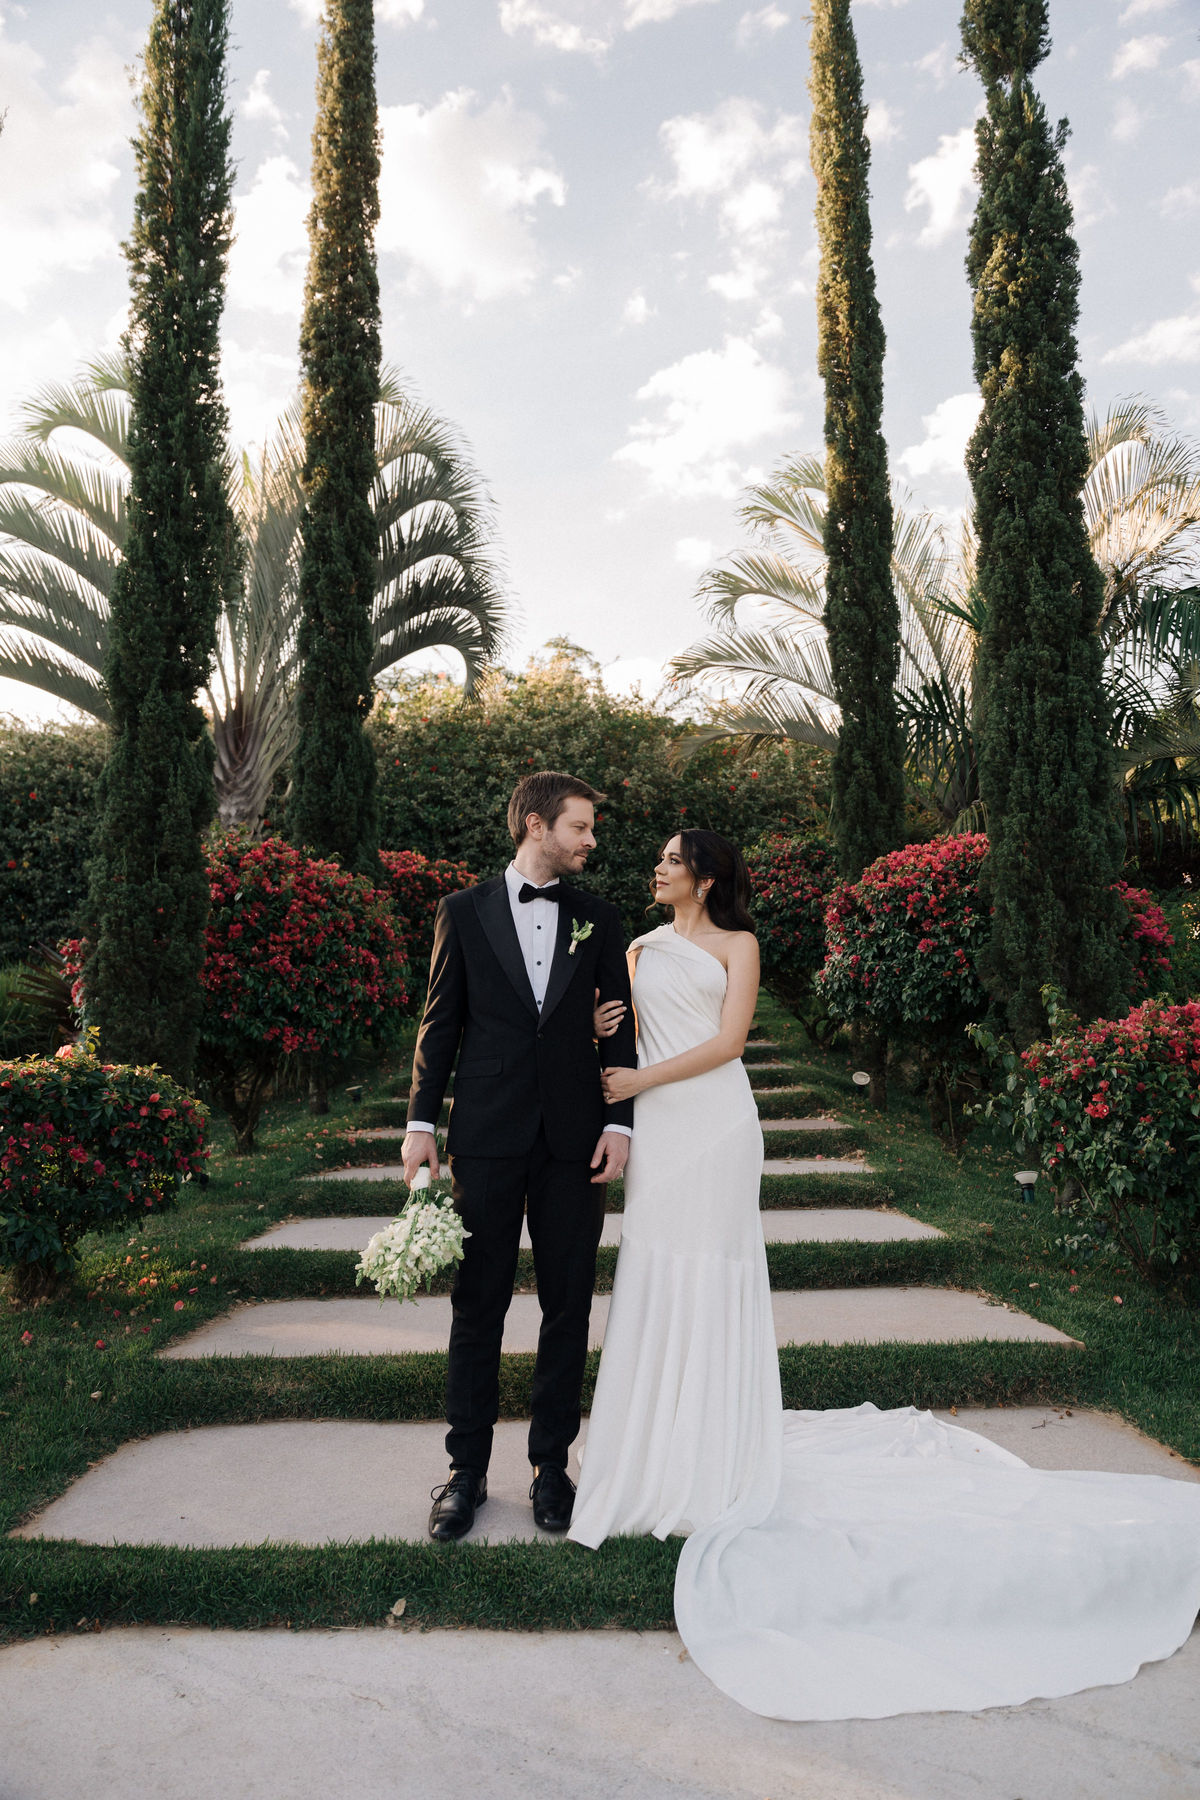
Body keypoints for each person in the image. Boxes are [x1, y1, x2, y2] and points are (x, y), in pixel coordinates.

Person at [569, 828, 1200, 1723]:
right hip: (661, 1133)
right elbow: (625, 1030)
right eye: (662, 858)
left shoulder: (739, 946)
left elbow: (730, 1044)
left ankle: (712, 1453)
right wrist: (605, 1034)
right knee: (656, 1272)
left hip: (713, 1123)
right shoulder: (638, 948)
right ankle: (655, 1444)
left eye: (673, 859)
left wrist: (640, 1082)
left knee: (712, 1273)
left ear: (704, 879)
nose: (658, 867)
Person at [402, 771, 637, 1544]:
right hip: (488, 1136)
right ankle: (464, 1471)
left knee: (568, 1306)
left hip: (575, 1142)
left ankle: (550, 1468)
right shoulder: (461, 911)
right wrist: (420, 1123)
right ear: (537, 825)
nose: (591, 840)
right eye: (581, 826)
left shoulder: (598, 919)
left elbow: (620, 1030)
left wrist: (621, 1124)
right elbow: (440, 1025)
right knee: (478, 1305)